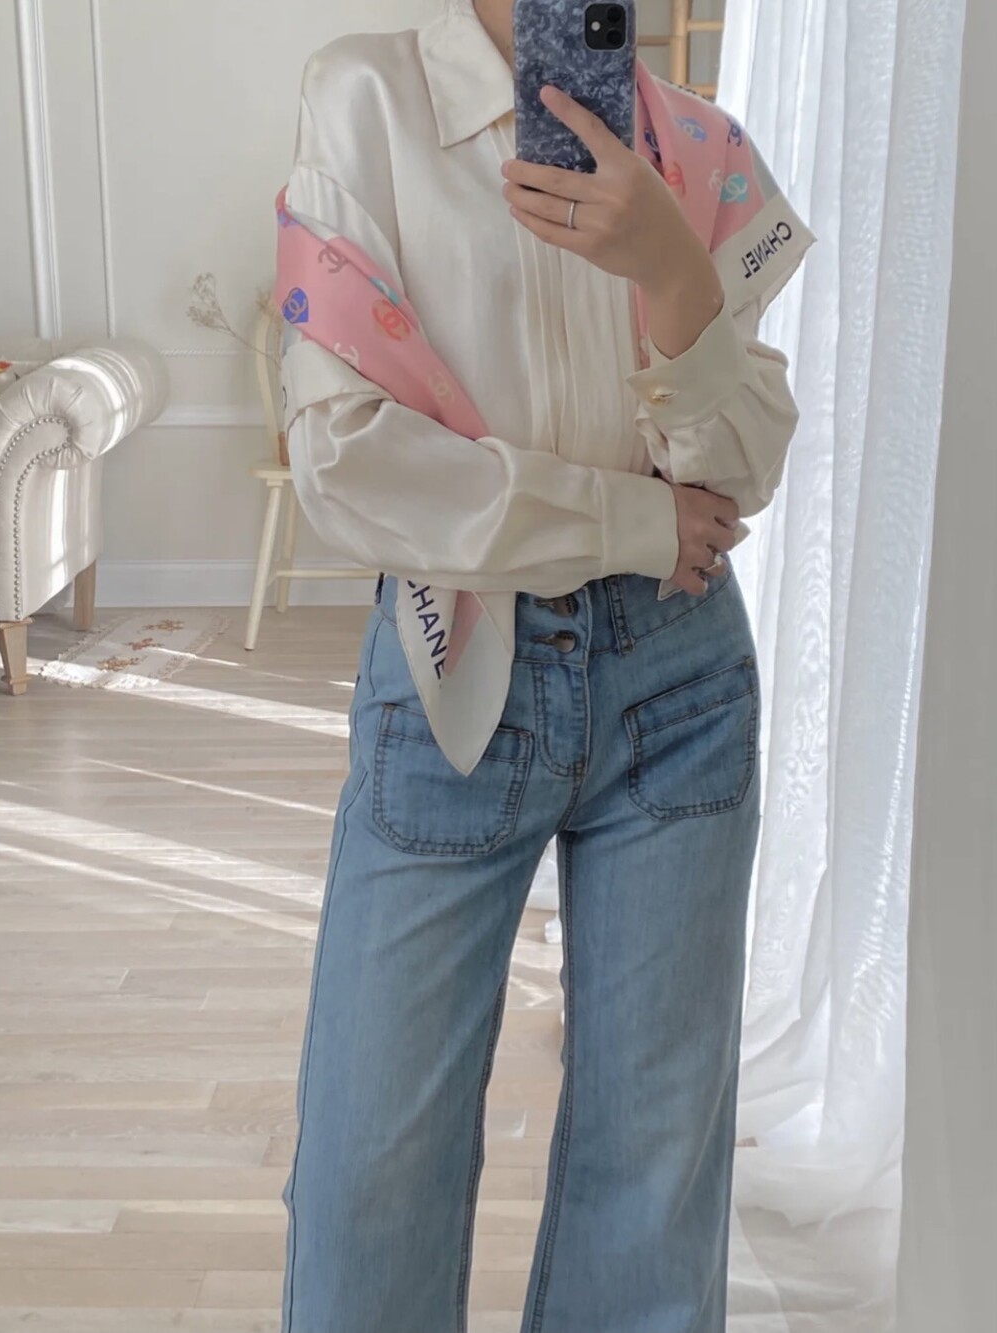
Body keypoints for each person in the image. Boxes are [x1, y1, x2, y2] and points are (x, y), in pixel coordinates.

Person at [277, 3, 810, 1330]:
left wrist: (673, 275)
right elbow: (345, 457)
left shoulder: (694, 146)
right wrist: (629, 520)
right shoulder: (369, 100)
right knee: (371, 1169)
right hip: (458, 657)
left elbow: (745, 462)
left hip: (681, 678)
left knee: (654, 1174)